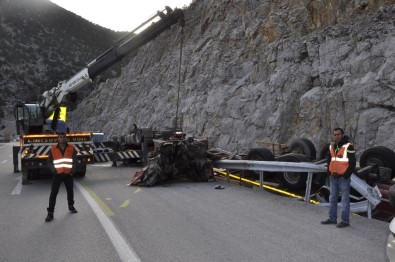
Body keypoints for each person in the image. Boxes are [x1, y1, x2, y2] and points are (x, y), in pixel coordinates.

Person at [321, 127, 356, 228]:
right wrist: (329, 170)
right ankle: (332, 218)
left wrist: (346, 176)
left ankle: (345, 221)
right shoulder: (332, 146)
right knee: (332, 198)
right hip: (333, 177)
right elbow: (329, 159)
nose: (337, 136)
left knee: (345, 200)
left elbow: (352, 163)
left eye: (338, 134)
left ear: (343, 134)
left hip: (343, 178)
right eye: (335, 135)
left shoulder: (349, 146)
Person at [45, 132, 78, 222]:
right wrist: (54, 170)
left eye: (63, 137)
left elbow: (75, 161)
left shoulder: (72, 148)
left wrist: (72, 171)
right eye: (60, 137)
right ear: (57, 139)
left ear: (66, 138)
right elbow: (49, 162)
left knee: (70, 191)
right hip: (57, 175)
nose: (62, 138)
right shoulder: (53, 149)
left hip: (68, 174)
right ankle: (50, 213)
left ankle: (71, 206)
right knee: (53, 194)